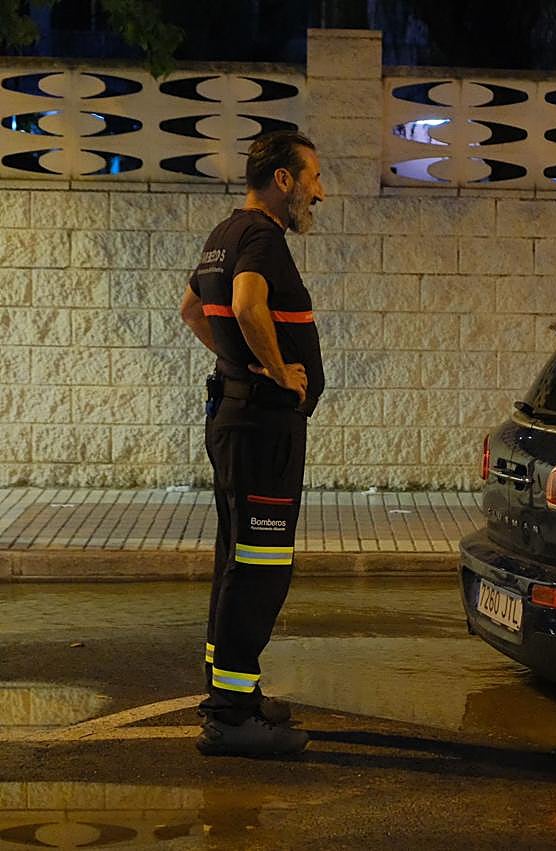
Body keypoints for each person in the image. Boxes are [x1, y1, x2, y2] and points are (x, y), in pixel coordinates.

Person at [180, 129, 326, 757]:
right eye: (313, 178)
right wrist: (271, 369)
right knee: (261, 566)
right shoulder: (262, 236)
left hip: (237, 418)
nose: (320, 192)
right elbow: (244, 305)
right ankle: (231, 718)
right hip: (262, 427)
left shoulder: (223, 235)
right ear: (284, 180)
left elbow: (191, 311)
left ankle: (234, 692)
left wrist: (239, 365)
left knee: (235, 559)